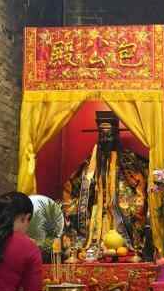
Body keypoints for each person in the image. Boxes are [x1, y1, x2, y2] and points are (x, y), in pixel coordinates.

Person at [62, 112, 150, 261]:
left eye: (109, 135)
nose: (106, 139)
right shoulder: (91, 162)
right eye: (102, 135)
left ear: (116, 134)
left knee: (135, 211)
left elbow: (139, 184)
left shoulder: (128, 161)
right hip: (96, 212)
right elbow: (73, 187)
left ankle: (131, 247)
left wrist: (129, 203)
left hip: (118, 213)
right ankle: (91, 248)